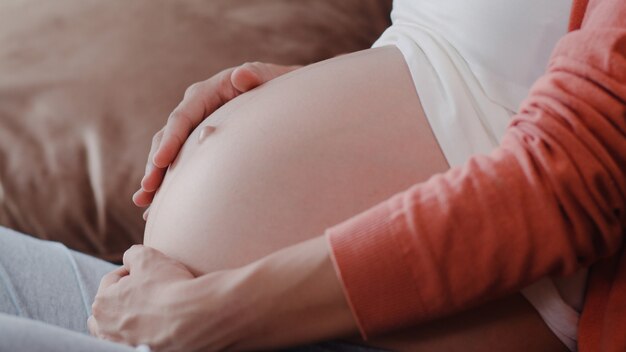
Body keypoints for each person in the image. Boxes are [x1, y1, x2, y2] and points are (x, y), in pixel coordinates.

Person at [1, 0, 624, 351]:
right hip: (194, 313)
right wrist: (354, 87)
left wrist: (215, 314)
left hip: (283, 319)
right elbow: (478, 71)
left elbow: (569, 179)